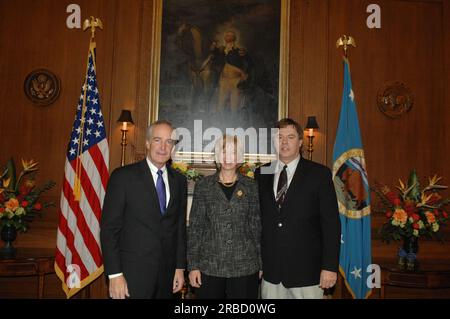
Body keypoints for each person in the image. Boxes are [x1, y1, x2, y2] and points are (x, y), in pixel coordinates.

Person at [100, 120, 187, 299]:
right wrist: (115, 275)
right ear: (147, 143)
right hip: (131, 277)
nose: (163, 147)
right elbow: (109, 230)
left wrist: (179, 267)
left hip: (167, 278)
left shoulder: (179, 181)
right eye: (157, 140)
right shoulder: (123, 177)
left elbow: (179, 229)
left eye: (169, 141)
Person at [255, 118, 341, 299]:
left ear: (300, 142)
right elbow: (256, 222)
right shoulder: (262, 172)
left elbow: (331, 224)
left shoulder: (319, 174)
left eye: (290, 137)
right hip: (271, 273)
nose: (284, 142)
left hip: (307, 274)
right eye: (279, 137)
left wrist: (330, 267)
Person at [187, 135, 261, 299]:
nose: (228, 157)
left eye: (233, 152)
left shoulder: (252, 186)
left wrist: (261, 264)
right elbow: (195, 228)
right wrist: (193, 266)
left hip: (245, 266)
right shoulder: (203, 186)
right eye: (223, 151)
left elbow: (256, 226)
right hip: (210, 266)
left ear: (240, 156)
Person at [211, 30, 252, 113]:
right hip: (223, 80)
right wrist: (213, 49)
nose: (227, 36)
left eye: (229, 35)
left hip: (235, 81)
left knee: (234, 106)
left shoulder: (239, 51)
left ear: (234, 38)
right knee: (220, 105)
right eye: (226, 35)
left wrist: (244, 76)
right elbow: (215, 62)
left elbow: (248, 63)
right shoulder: (221, 51)